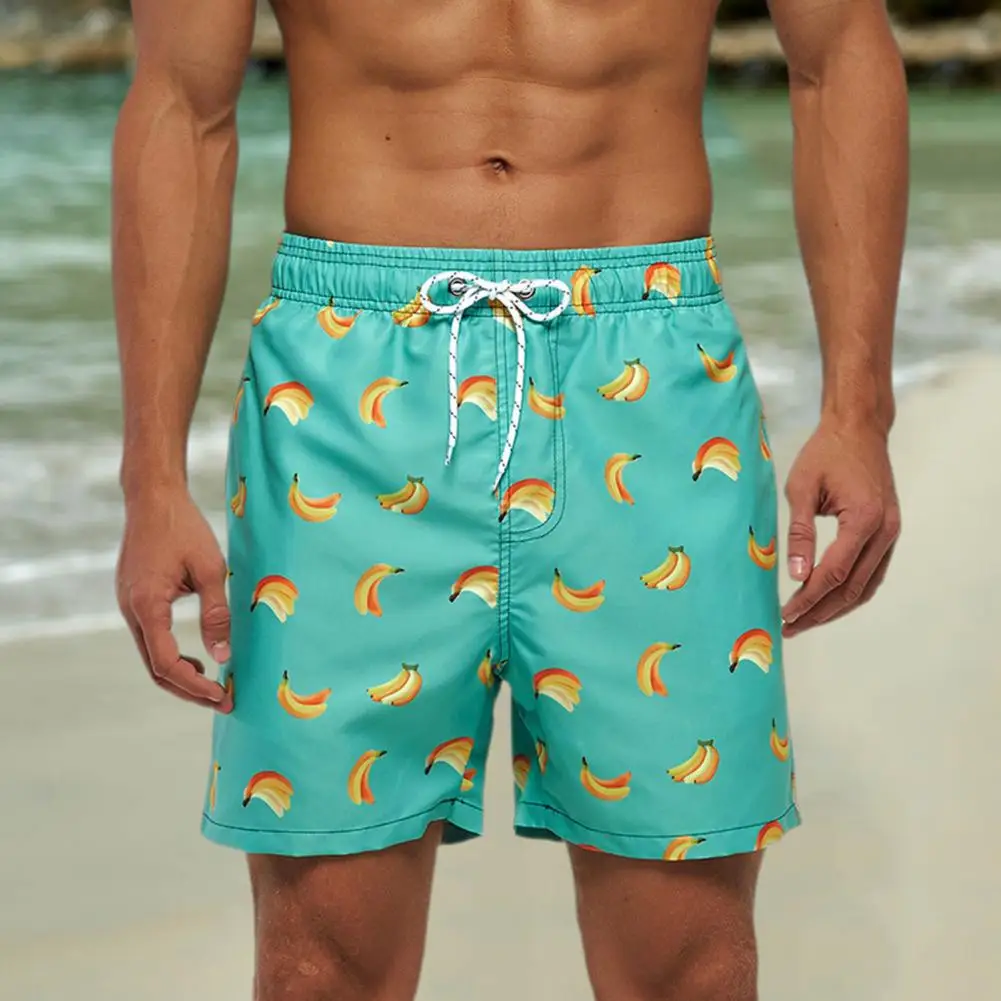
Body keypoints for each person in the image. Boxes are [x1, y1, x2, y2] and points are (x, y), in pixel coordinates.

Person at [112, 1, 905, 998]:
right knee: (319, 968)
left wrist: (858, 413)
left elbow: (839, 51)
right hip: (346, 398)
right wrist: (150, 480)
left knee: (691, 971)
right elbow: (182, 107)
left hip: (648, 385)